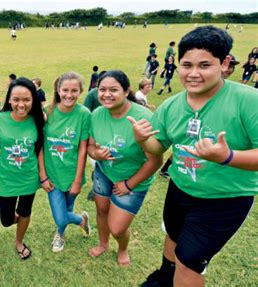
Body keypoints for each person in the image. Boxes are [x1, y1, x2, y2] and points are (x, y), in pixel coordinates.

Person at [128, 26, 257, 287]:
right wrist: (144, 140)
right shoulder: (172, 106)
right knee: (172, 241)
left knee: (189, 261)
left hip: (224, 199)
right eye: (187, 65)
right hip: (180, 189)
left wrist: (228, 156)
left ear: (224, 64)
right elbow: (158, 148)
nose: (194, 73)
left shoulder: (248, 100)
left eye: (205, 65)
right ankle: (165, 278)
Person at [87, 70, 162, 266]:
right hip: (105, 172)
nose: (107, 94)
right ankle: (103, 244)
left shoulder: (144, 117)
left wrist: (129, 184)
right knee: (102, 210)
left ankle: (122, 248)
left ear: (127, 91)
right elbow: (91, 146)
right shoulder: (96, 114)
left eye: (113, 89)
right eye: (102, 89)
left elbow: (155, 161)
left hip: (134, 179)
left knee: (118, 228)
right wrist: (96, 154)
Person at [39, 72, 91, 253]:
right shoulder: (47, 112)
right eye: (65, 90)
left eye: (74, 90)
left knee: (67, 208)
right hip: (52, 175)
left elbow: (83, 148)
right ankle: (81, 220)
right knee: (61, 217)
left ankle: (60, 234)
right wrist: (43, 176)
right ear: (58, 90)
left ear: (81, 91)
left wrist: (77, 180)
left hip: (72, 174)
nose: (69, 95)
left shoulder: (84, 114)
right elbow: (40, 146)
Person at [0, 77, 45, 260]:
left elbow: (40, 149)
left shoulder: (38, 120)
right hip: (6, 179)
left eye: (26, 100)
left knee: (25, 211)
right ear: (9, 99)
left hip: (29, 177)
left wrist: (43, 176)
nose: (21, 104)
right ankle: (16, 222)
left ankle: (19, 241)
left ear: (33, 100)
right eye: (16, 99)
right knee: (6, 220)